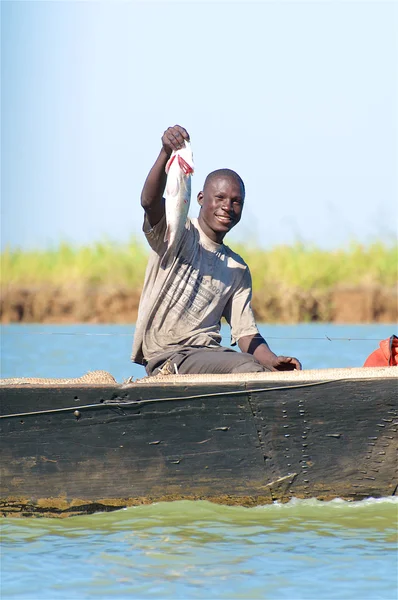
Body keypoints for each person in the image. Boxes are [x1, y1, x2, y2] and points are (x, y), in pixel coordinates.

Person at [131, 125, 302, 376]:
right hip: (168, 356)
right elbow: (149, 202)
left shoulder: (237, 268)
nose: (227, 207)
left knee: (259, 369)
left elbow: (245, 333)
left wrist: (273, 361)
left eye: (236, 202)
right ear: (201, 198)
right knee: (245, 367)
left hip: (209, 355)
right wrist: (165, 153)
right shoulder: (176, 233)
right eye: (220, 198)